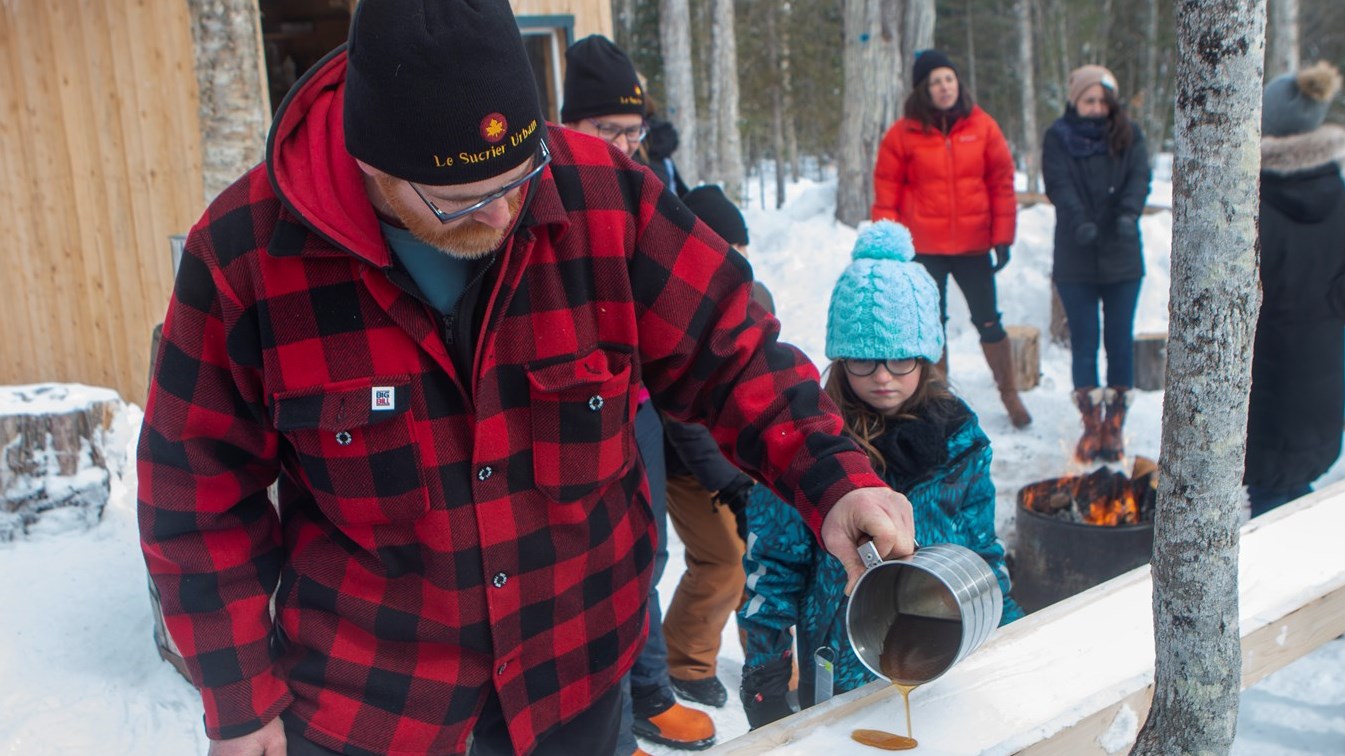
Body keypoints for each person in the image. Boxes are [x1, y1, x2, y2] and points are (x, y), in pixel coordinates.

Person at [136, 2, 917, 755]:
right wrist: (239, 700)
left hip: (573, 683)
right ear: (370, 161)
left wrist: (836, 480)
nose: (506, 213)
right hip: (372, 704)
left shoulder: (604, 196)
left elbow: (733, 352)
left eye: (521, 176)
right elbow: (196, 492)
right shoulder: (245, 257)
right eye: (462, 201)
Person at [737, 221, 1024, 730]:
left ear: (927, 355)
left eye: (900, 358)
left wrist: (1010, 630)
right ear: (841, 361)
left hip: (943, 646)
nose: (884, 375)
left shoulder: (959, 437)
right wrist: (766, 675)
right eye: (865, 361)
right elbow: (771, 573)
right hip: (842, 660)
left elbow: (982, 546)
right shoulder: (809, 446)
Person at [559, 34, 715, 753]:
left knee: (648, 553)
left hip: (642, 405)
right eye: (608, 131)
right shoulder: (553, 191)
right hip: (573, 410)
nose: (626, 145)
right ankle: (612, 715)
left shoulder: (652, 182)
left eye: (634, 130)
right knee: (594, 564)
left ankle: (648, 694)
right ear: (569, 126)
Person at [871, 49, 1030, 429]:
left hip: (974, 246)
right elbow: (886, 190)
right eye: (935, 82)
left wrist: (1002, 236)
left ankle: (1010, 394)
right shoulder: (903, 133)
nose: (944, 87)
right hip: (924, 247)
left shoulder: (983, 126)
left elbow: (1001, 182)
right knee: (931, 325)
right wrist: (889, 246)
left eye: (949, 79)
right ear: (923, 90)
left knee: (989, 320)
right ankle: (937, 403)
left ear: (958, 83)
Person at [660, 185, 766, 711]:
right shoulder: (676, 308)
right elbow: (682, 419)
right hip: (694, 469)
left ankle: (766, 656)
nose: (740, 266)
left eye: (744, 254)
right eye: (730, 254)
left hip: (745, 462)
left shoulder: (754, 297)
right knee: (723, 559)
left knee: (765, 557)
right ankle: (685, 658)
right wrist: (727, 480)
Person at [1245, 61, 1345, 517]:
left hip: (1270, 377)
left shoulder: (1255, 204)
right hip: (1322, 372)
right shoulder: (1337, 190)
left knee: (1272, 499)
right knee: (1292, 487)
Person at [1042, 65, 1152, 463]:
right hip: (1076, 254)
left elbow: (1140, 176)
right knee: (1085, 341)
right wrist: (1079, 220)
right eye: (1089, 100)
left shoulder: (1129, 133)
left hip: (1122, 255)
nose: (1097, 107)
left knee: (1119, 339)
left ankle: (1115, 424)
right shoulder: (1058, 136)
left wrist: (1127, 213)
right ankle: (1091, 424)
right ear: (1076, 100)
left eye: (1103, 100)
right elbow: (1057, 182)